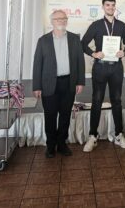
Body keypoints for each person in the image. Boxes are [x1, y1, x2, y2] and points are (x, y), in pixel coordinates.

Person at [81, 0, 125, 152]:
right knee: (97, 100)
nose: (110, 7)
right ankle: (93, 136)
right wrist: (94, 53)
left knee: (117, 100)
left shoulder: (121, 25)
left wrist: (124, 52)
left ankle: (118, 135)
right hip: (100, 68)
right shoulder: (96, 25)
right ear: (103, 7)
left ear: (115, 7)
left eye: (113, 5)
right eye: (107, 5)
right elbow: (83, 44)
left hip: (116, 68)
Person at [32, 10, 85, 158]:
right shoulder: (43, 40)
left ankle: (62, 143)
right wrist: (36, 86)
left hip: (69, 83)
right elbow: (37, 64)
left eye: (64, 18)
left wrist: (80, 81)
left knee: (65, 115)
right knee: (50, 115)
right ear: (52, 22)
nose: (61, 21)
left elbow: (80, 61)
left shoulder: (74, 39)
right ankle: (50, 145)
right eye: (58, 19)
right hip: (48, 84)